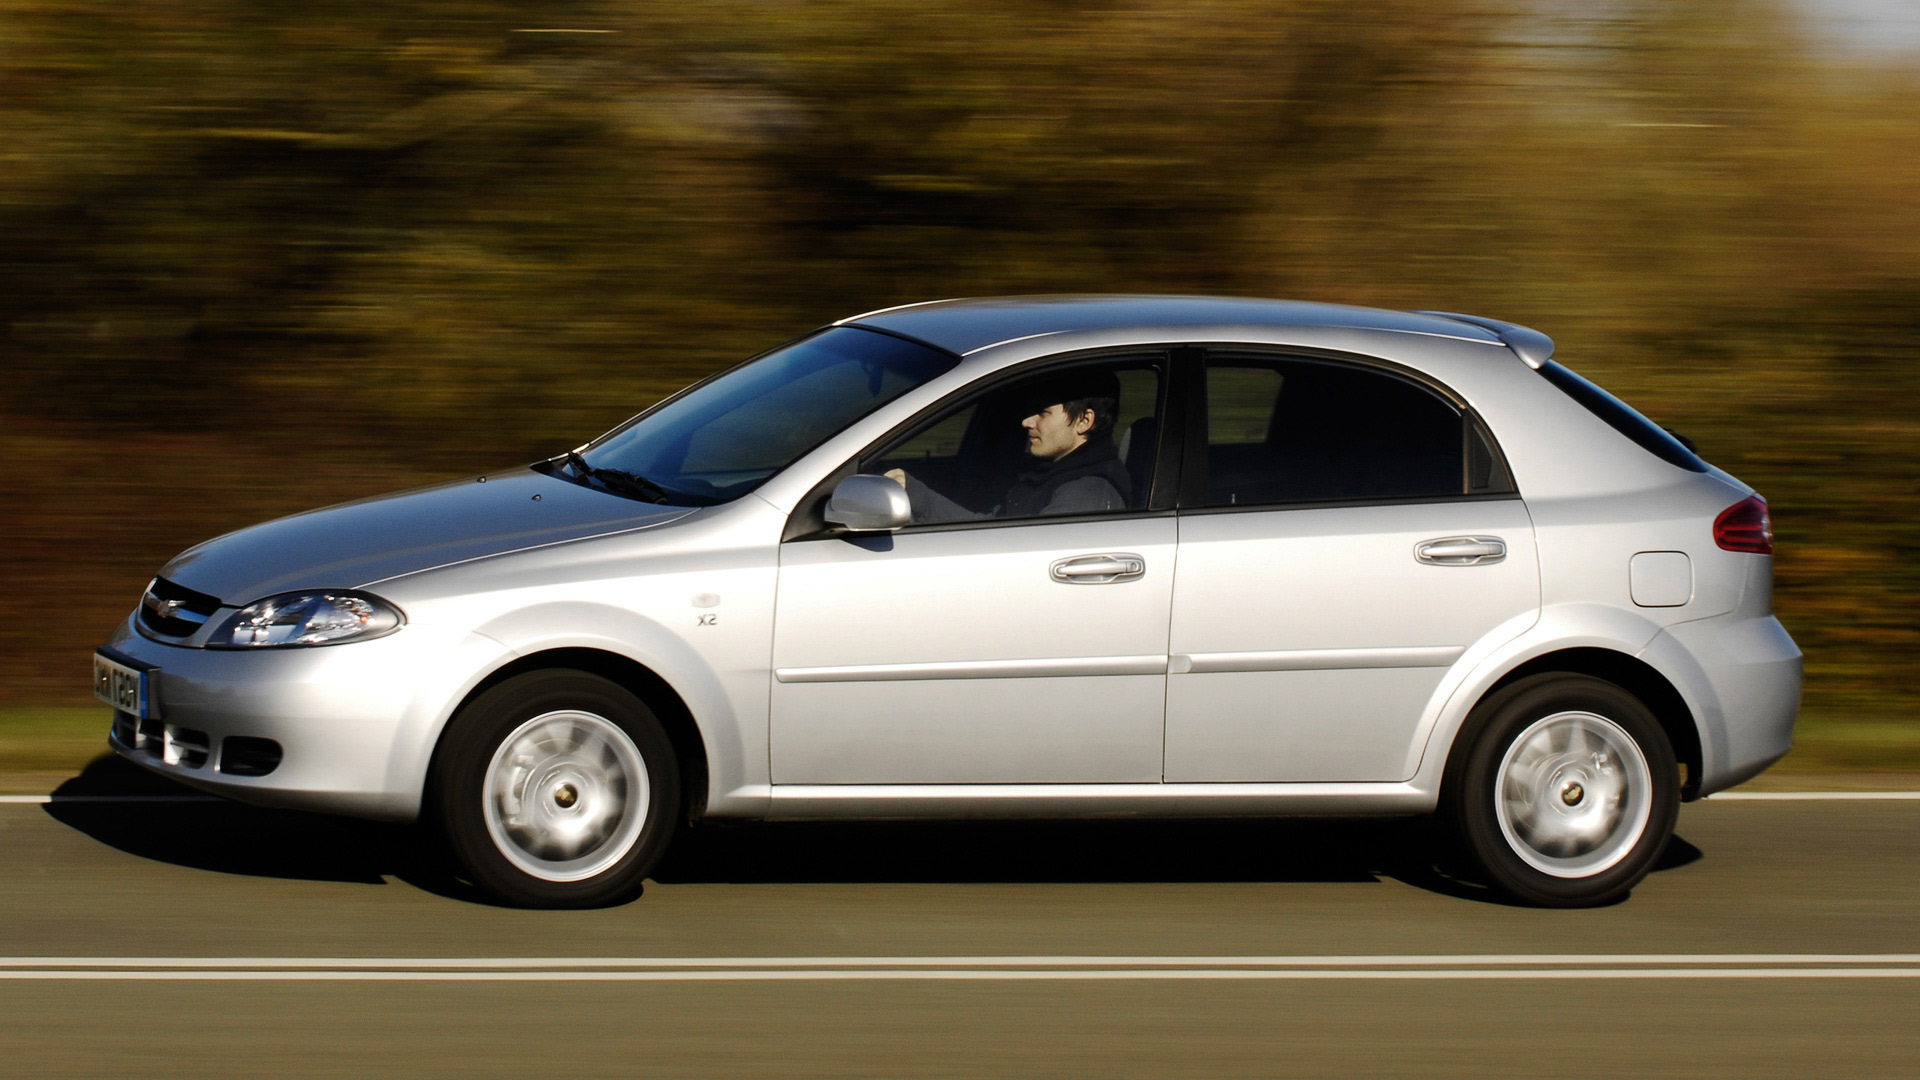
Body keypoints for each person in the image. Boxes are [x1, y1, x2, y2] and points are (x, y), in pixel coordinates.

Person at [884, 370, 1132, 523]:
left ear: (1084, 421)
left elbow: (1016, 559)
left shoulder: (1086, 495)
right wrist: (915, 495)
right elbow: (990, 528)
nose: (1026, 421)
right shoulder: (1053, 474)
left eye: (1042, 412)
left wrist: (920, 499)